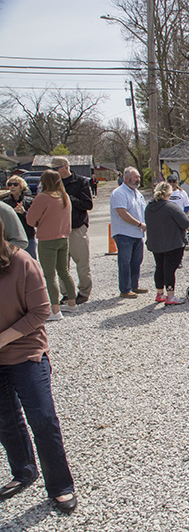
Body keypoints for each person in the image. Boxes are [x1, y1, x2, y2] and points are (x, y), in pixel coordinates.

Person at [0, 217, 77, 513]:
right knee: (6, 420)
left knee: (43, 420)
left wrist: (3, 339)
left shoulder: (22, 262)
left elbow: (41, 310)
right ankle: (23, 471)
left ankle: (60, 486)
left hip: (26, 351)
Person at [25, 170, 78, 322]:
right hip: (63, 238)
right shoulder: (65, 196)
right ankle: (72, 303)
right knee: (65, 272)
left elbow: (30, 219)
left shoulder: (43, 197)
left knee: (49, 275)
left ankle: (55, 310)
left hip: (47, 239)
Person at [51, 156, 92, 305]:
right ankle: (67, 293)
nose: (54, 172)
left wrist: (69, 198)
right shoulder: (53, 184)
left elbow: (88, 204)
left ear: (65, 167)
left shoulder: (81, 182)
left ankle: (84, 292)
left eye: (56, 169)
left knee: (82, 263)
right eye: (52, 169)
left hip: (76, 227)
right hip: (58, 229)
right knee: (61, 265)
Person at [145, 182, 189, 305]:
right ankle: (170, 296)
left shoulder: (149, 207)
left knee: (159, 267)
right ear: (169, 194)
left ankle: (160, 293)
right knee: (170, 269)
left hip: (155, 243)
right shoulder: (171, 207)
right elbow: (185, 223)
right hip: (172, 243)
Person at [110, 166, 148, 299]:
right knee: (125, 262)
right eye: (135, 177)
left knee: (137, 261)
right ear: (126, 178)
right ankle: (125, 289)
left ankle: (134, 286)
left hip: (137, 233)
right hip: (124, 233)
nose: (138, 179)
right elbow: (122, 213)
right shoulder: (119, 193)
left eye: (138, 177)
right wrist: (139, 224)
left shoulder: (138, 193)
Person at [3, 176, 36, 258]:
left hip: (28, 236)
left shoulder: (29, 201)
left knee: (30, 261)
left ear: (21, 186)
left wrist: (23, 212)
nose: (12, 187)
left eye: (15, 184)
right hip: (11, 238)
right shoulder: (5, 203)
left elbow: (35, 221)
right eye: (10, 184)